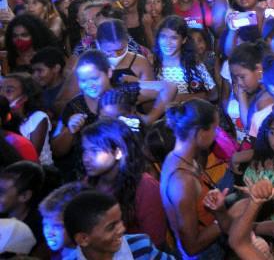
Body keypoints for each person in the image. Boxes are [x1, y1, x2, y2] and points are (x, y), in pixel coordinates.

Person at [160, 99, 231, 260]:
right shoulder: (182, 180)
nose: (216, 135)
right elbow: (191, 247)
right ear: (200, 133)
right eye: (215, 129)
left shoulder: (178, 158)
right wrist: (225, 218)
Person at [80, 118, 167, 244]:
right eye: (85, 150)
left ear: (118, 152)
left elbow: (155, 242)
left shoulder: (146, 188)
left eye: (94, 150)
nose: (86, 158)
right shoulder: (89, 182)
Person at [64, 190, 174, 260]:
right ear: (83, 239)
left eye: (120, 221)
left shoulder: (141, 246)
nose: (122, 229)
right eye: (111, 227)